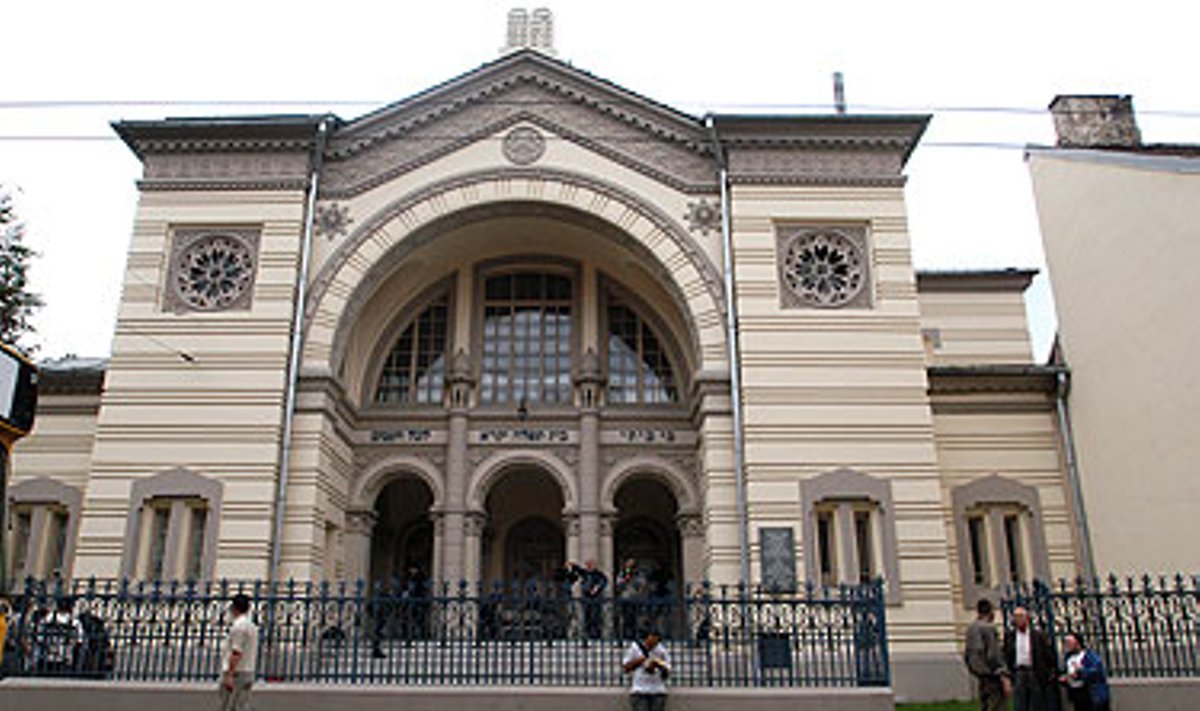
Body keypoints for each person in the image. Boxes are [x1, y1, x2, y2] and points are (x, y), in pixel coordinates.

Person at [1004, 606, 1058, 711]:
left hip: (1034, 671)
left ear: (1027, 618)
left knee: (1037, 703)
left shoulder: (1038, 635)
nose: (1017, 620)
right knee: (1020, 703)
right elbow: (1007, 654)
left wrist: (1049, 672)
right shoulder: (1010, 636)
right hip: (1019, 672)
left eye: (1020, 616)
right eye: (1015, 617)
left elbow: (1047, 655)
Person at [964, 598, 1010, 711]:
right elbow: (994, 654)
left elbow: (967, 655)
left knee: (985, 706)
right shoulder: (989, 628)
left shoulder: (971, 629)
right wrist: (1003, 675)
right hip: (992, 676)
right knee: (997, 706)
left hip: (980, 676)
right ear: (990, 612)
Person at [219, 593, 259, 711]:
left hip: (238, 673)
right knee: (242, 706)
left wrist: (229, 675)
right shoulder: (251, 626)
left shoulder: (239, 627)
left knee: (230, 706)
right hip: (248, 670)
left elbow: (236, 652)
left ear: (234, 608)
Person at [622, 627, 671, 711]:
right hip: (639, 691)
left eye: (656, 641)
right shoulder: (635, 648)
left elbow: (667, 672)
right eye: (651, 641)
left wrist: (658, 666)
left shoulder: (662, 650)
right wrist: (640, 660)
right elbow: (626, 668)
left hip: (658, 691)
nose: (654, 644)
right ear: (647, 638)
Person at [1060, 633, 1111, 711]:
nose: (1067, 645)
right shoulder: (1068, 657)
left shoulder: (1089, 655)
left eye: (1069, 642)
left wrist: (1080, 672)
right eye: (1066, 642)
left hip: (1090, 694)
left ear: (1077, 643)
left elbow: (1096, 671)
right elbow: (1067, 672)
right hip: (1076, 694)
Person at [37, 597, 82, 677]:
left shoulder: (48, 618)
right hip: (64, 657)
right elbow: (79, 641)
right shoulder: (74, 621)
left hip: (49, 656)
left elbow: (39, 637)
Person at [579, 559, 608, 639]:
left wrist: (597, 588)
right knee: (587, 618)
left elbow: (604, 581)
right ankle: (587, 635)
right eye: (587, 565)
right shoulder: (584, 574)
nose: (589, 566)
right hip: (586, 599)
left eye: (590, 565)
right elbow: (582, 584)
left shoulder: (598, 574)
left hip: (596, 599)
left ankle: (596, 635)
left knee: (596, 617)